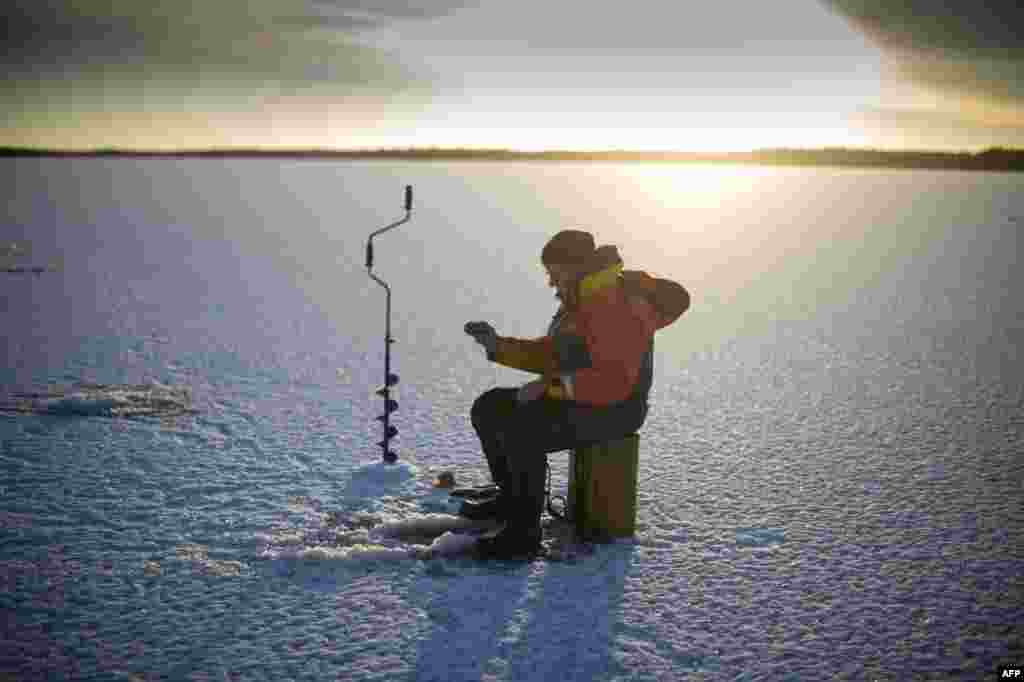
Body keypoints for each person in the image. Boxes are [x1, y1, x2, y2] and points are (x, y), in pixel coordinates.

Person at [463, 229, 690, 559]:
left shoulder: (612, 304)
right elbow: (555, 356)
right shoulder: (581, 299)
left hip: (616, 408)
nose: (551, 282)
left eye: (554, 273)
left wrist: (550, 386)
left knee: (522, 428)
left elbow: (613, 382)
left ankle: (522, 536)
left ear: (575, 266)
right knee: (490, 407)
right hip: (583, 397)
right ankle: (512, 499)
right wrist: (498, 346)